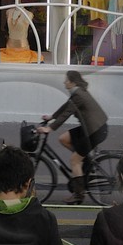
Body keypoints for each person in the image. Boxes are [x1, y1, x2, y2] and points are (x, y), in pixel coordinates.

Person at [38, 70, 108, 203]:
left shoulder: (79, 95)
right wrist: (51, 117)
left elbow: (67, 113)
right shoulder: (77, 92)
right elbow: (66, 106)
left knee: (74, 160)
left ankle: (78, 194)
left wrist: (50, 128)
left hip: (95, 131)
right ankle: (85, 162)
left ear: (73, 82)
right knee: (63, 138)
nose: (64, 82)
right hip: (90, 127)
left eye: (67, 80)